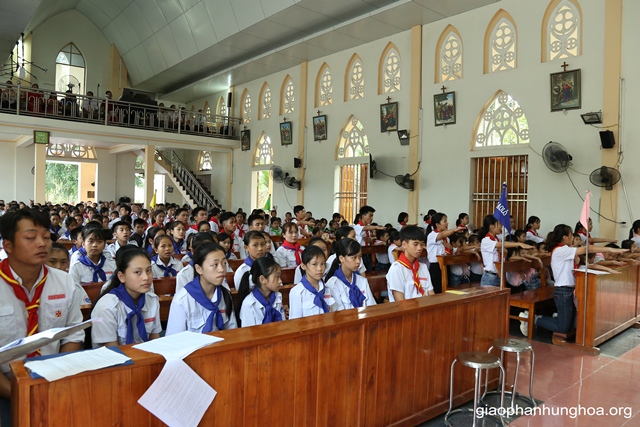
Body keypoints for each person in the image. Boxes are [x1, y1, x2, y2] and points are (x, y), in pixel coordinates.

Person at [0, 208, 84, 419]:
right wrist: (18, 393)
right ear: (7, 245)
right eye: (31, 237)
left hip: (54, 381)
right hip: (4, 387)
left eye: (46, 237)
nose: (42, 243)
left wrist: (57, 380)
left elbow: (72, 335)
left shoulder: (64, 281)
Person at [531, 224, 627, 335]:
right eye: (571, 236)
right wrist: (609, 248)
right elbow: (589, 248)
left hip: (568, 290)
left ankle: (556, 317)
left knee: (571, 325)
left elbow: (584, 266)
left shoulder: (566, 251)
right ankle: (535, 318)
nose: (573, 238)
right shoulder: (560, 250)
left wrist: (608, 270)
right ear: (565, 237)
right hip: (563, 291)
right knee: (563, 328)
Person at [90, 247, 161, 347]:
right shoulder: (106, 308)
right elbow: (113, 354)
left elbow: (156, 344)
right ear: (121, 277)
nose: (146, 277)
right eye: (138, 272)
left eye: (148, 270)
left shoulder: (152, 300)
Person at [165, 242, 238, 334]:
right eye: (215, 264)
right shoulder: (182, 300)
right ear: (199, 269)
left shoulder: (225, 294)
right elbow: (174, 340)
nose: (221, 269)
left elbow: (232, 331)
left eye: (224, 263)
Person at [479, 215, 532, 287]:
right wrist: (519, 243)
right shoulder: (486, 240)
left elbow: (503, 250)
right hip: (490, 276)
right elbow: (501, 245)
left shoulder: (496, 239)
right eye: (499, 224)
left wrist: (504, 251)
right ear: (492, 226)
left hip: (499, 274)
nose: (501, 226)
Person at [324, 238, 376, 310]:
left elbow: (372, 307)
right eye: (353, 257)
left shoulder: (362, 281)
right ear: (341, 258)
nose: (358, 261)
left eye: (360, 257)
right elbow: (337, 315)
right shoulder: (332, 285)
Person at [387, 225, 435, 301]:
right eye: (415, 244)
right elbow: (400, 303)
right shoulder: (396, 269)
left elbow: (431, 295)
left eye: (422, 244)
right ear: (404, 245)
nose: (419, 248)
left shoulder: (423, 267)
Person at [237, 257, 286, 327]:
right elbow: (248, 333)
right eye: (277, 277)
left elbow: (282, 324)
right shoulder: (249, 304)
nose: (280, 281)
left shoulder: (278, 297)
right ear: (262, 279)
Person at [289, 245, 333, 318]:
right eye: (314, 264)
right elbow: (295, 322)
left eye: (322, 264)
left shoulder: (327, 289)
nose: (319, 269)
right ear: (303, 266)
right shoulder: (297, 292)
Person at [426, 213, 465, 293]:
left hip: (446, 265)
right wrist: (454, 230)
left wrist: (451, 248)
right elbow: (442, 234)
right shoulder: (432, 235)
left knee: (446, 289)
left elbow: (450, 250)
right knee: (437, 289)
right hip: (436, 266)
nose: (447, 223)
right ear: (437, 224)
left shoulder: (446, 238)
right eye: (445, 221)